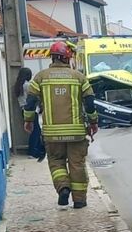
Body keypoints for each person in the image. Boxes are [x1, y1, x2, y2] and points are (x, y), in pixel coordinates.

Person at [22, 41, 99, 208]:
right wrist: (93, 122)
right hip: (76, 133)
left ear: (52, 57)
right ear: (67, 58)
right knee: (77, 164)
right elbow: (90, 103)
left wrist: (28, 121)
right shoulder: (79, 77)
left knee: (56, 162)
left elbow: (30, 102)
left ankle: (63, 188)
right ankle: (79, 200)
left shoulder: (40, 77)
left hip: (52, 134)